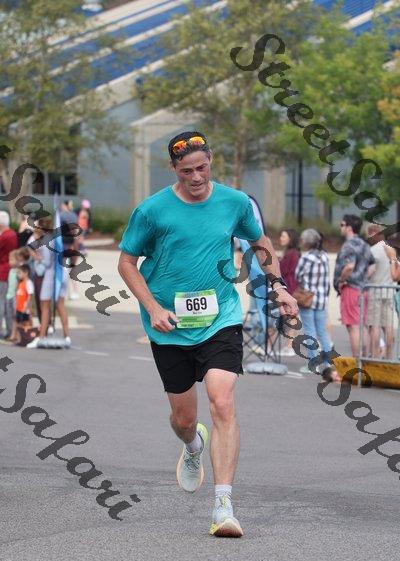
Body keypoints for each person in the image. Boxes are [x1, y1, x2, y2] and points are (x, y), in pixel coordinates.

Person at [118, 131, 298, 537]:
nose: (196, 177)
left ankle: (223, 506)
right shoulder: (152, 211)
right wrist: (153, 307)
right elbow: (126, 263)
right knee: (184, 419)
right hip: (170, 326)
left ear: (211, 160)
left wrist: (279, 286)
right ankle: (192, 444)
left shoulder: (235, 202)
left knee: (222, 400)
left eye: (202, 167)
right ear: (173, 169)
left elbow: (260, 242)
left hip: (221, 318)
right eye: (186, 171)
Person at [26, 217, 71, 349]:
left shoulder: (46, 241)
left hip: (51, 274)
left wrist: (37, 257)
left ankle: (41, 337)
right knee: (60, 305)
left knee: (44, 305)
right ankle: (67, 336)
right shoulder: (56, 238)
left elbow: (46, 262)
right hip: (62, 273)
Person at [333, 214, 375, 357]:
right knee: (363, 326)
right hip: (364, 289)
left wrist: (341, 280)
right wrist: (363, 278)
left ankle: (357, 361)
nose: (340, 227)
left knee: (353, 327)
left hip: (351, 289)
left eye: (342, 225)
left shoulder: (348, 245)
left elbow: (349, 266)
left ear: (349, 228)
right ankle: (365, 360)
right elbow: (372, 266)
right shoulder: (364, 244)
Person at [295, 229, 331, 374]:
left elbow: (298, 275)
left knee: (310, 331)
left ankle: (313, 363)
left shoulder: (306, 258)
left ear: (306, 242)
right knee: (322, 331)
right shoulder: (324, 256)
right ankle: (328, 363)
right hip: (321, 298)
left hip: (307, 298)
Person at [366, 224, 395, 358]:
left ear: (373, 233)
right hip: (389, 292)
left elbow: (369, 272)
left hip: (375, 291)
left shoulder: (372, 251)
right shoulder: (391, 249)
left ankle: (375, 355)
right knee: (388, 326)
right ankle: (388, 356)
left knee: (374, 326)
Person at [279, 229, 300, 356]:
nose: (281, 238)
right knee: (289, 317)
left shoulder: (293, 254)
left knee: (291, 317)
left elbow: (287, 272)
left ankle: (290, 346)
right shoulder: (289, 253)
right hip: (288, 287)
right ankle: (289, 345)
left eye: (283, 236)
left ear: (290, 238)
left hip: (290, 288)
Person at [0, 211, 18, 338]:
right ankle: (10, 329)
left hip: (2, 270)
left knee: (1, 302)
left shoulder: (4, 237)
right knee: (7, 301)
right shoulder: (12, 234)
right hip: (10, 270)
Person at [60, 200, 80, 300]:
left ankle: (63, 291)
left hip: (64, 245)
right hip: (73, 244)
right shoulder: (74, 215)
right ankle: (75, 291)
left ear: (65, 205)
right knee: (72, 268)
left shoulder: (61, 216)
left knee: (63, 268)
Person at [15, 264, 34, 341]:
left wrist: (26, 307)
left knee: (26, 323)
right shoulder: (20, 283)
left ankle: (28, 338)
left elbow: (29, 296)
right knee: (19, 323)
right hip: (18, 308)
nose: (18, 275)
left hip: (24, 309)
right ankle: (19, 339)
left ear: (26, 273)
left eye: (20, 273)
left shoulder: (29, 283)